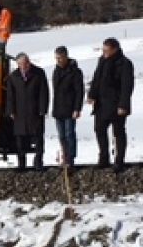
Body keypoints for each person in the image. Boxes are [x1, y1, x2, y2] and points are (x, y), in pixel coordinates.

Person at [88, 38, 134, 172]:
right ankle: (104, 158)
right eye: (103, 50)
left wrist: (123, 105)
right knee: (99, 130)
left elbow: (127, 86)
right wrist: (92, 94)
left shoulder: (124, 64)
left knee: (118, 133)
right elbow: (97, 79)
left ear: (115, 49)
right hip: (102, 104)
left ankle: (119, 161)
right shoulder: (102, 60)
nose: (104, 52)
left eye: (107, 50)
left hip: (117, 104)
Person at [5, 53, 49, 171]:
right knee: (20, 140)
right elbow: (10, 95)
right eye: (20, 64)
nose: (23, 67)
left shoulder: (38, 73)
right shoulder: (13, 77)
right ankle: (21, 163)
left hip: (35, 112)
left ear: (29, 62)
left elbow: (44, 92)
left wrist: (43, 109)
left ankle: (38, 162)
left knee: (38, 138)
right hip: (20, 113)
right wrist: (11, 110)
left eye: (25, 64)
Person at [51, 46, 84, 168]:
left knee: (70, 133)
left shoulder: (75, 72)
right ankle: (64, 156)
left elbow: (79, 91)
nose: (58, 60)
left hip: (70, 108)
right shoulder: (56, 71)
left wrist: (77, 108)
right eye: (56, 58)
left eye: (60, 58)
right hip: (58, 108)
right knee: (61, 135)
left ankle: (70, 157)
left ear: (66, 57)